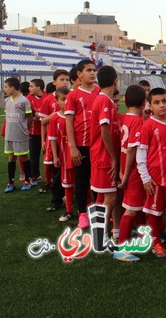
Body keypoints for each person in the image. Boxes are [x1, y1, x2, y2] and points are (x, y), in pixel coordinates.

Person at [138, 88, 166, 259]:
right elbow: (141, 153)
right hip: (155, 178)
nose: (161, 105)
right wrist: (145, 177)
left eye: (164, 101)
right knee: (154, 212)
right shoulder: (148, 125)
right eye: (156, 102)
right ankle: (155, 242)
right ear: (150, 106)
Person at [65, 59, 101, 229]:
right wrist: (73, 147)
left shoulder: (100, 92)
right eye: (88, 70)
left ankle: (99, 212)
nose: (93, 73)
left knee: (99, 182)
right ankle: (82, 214)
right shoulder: (73, 95)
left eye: (94, 70)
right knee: (81, 182)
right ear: (79, 74)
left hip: (99, 145)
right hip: (81, 145)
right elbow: (69, 122)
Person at [114, 85, 146, 262]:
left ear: (125, 100)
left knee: (136, 205)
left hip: (125, 167)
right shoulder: (136, 122)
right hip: (132, 170)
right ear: (143, 102)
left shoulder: (126, 118)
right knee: (131, 209)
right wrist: (126, 175)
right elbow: (132, 149)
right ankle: (121, 248)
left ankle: (142, 236)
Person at [89, 66, 121, 240]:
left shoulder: (105, 100)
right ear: (115, 81)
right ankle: (99, 235)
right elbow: (105, 131)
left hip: (104, 155)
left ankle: (115, 231)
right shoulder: (104, 101)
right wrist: (113, 157)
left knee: (113, 197)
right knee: (110, 198)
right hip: (104, 157)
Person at [47, 87, 75, 222]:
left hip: (79, 154)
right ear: (57, 102)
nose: (66, 102)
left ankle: (86, 208)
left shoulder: (76, 115)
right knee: (67, 183)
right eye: (63, 99)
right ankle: (68, 210)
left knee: (83, 183)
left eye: (68, 99)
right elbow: (52, 138)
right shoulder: (55, 118)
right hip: (65, 156)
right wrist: (55, 156)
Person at [3, 77, 33, 193]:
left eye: (6, 87)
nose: (5, 89)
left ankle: (27, 181)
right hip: (9, 134)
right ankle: (10, 182)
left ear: (13, 88)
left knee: (24, 156)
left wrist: (26, 130)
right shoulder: (6, 101)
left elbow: (29, 118)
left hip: (21, 134)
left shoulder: (23, 101)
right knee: (11, 158)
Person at [27, 79, 46, 187]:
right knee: (34, 156)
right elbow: (29, 115)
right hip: (34, 132)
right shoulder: (29, 98)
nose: (29, 88)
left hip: (46, 132)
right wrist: (34, 117)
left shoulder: (48, 97)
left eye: (31, 86)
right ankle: (34, 176)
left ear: (38, 88)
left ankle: (50, 177)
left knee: (48, 156)